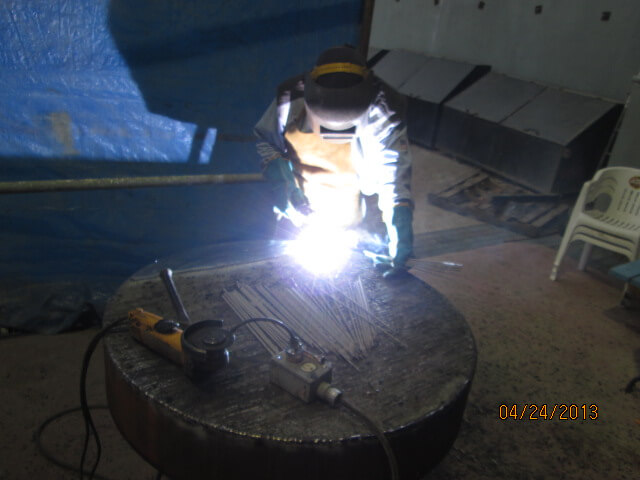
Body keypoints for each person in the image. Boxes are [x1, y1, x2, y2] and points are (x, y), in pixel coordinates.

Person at [254, 45, 413, 276]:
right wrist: (284, 184)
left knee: (357, 271)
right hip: (301, 207)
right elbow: (267, 141)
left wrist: (400, 222)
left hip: (352, 205)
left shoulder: (385, 110)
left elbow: (393, 175)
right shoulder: (290, 99)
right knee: (285, 274)